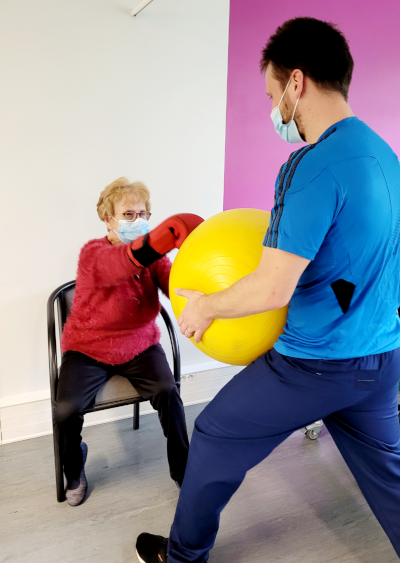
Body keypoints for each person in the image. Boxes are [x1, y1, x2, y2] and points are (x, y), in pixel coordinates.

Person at [135, 17, 400, 563]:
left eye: (272, 92)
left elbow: (272, 288)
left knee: (211, 434)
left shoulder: (309, 165)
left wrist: (205, 305)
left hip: (316, 365)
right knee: (390, 477)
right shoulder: (385, 157)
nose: (274, 106)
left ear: (295, 83)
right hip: (381, 358)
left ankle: (182, 558)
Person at [54, 177, 202, 506]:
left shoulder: (154, 259)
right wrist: (159, 241)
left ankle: (183, 470)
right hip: (88, 349)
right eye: (129, 214)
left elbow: (174, 284)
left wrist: (203, 297)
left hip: (139, 345)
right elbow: (118, 265)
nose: (139, 221)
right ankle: (74, 468)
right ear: (108, 219)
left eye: (144, 214)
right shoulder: (93, 254)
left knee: (168, 393)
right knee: (66, 409)